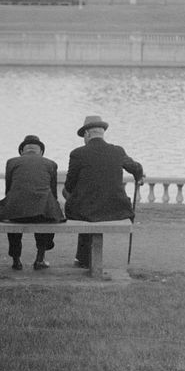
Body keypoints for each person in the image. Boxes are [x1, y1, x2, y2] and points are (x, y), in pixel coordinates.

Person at [63, 115, 144, 269]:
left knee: (79, 203)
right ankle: (82, 258)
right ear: (102, 133)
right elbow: (136, 167)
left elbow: (69, 186)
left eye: (84, 136)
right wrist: (139, 176)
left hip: (85, 211)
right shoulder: (118, 151)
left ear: (87, 134)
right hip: (115, 210)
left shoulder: (77, 154)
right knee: (88, 204)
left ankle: (82, 258)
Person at [0, 134, 64, 270]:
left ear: (21, 151)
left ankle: (16, 260)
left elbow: (9, 190)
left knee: (12, 213)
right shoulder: (51, 163)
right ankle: (40, 259)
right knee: (48, 212)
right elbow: (53, 193)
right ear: (41, 151)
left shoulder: (12, 162)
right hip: (42, 211)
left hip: (17, 210)